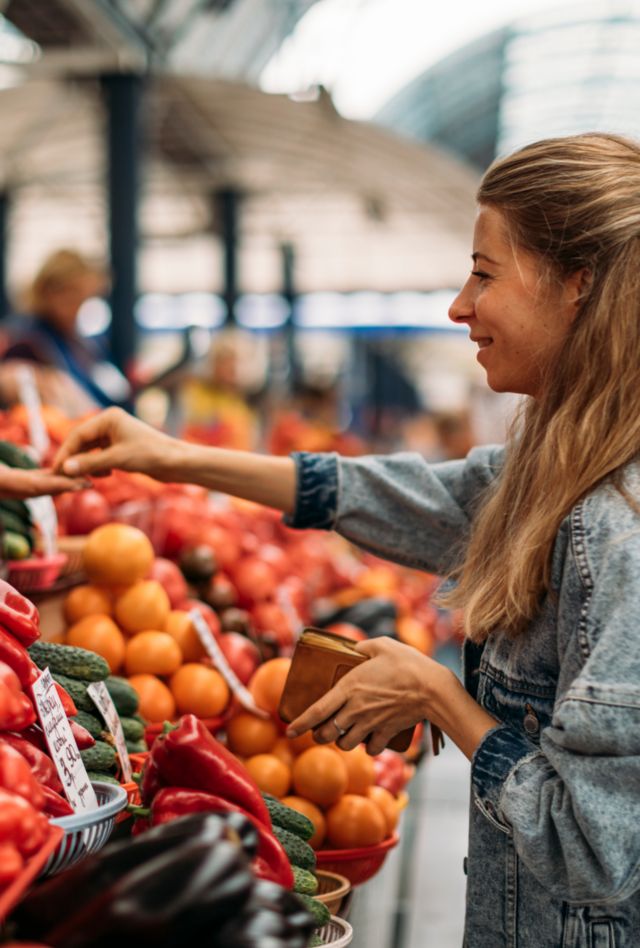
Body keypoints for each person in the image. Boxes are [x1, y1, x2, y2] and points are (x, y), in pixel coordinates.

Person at [53, 133, 640, 947]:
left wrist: (439, 697)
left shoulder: (619, 527)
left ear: (578, 286)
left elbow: (592, 845)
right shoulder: (555, 468)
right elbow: (399, 496)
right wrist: (167, 456)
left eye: (484, 273)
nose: (459, 306)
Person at [0, 249, 130, 414]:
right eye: (71, 294)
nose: (76, 306)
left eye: (84, 298)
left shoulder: (85, 342)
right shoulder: (26, 342)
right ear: (47, 291)